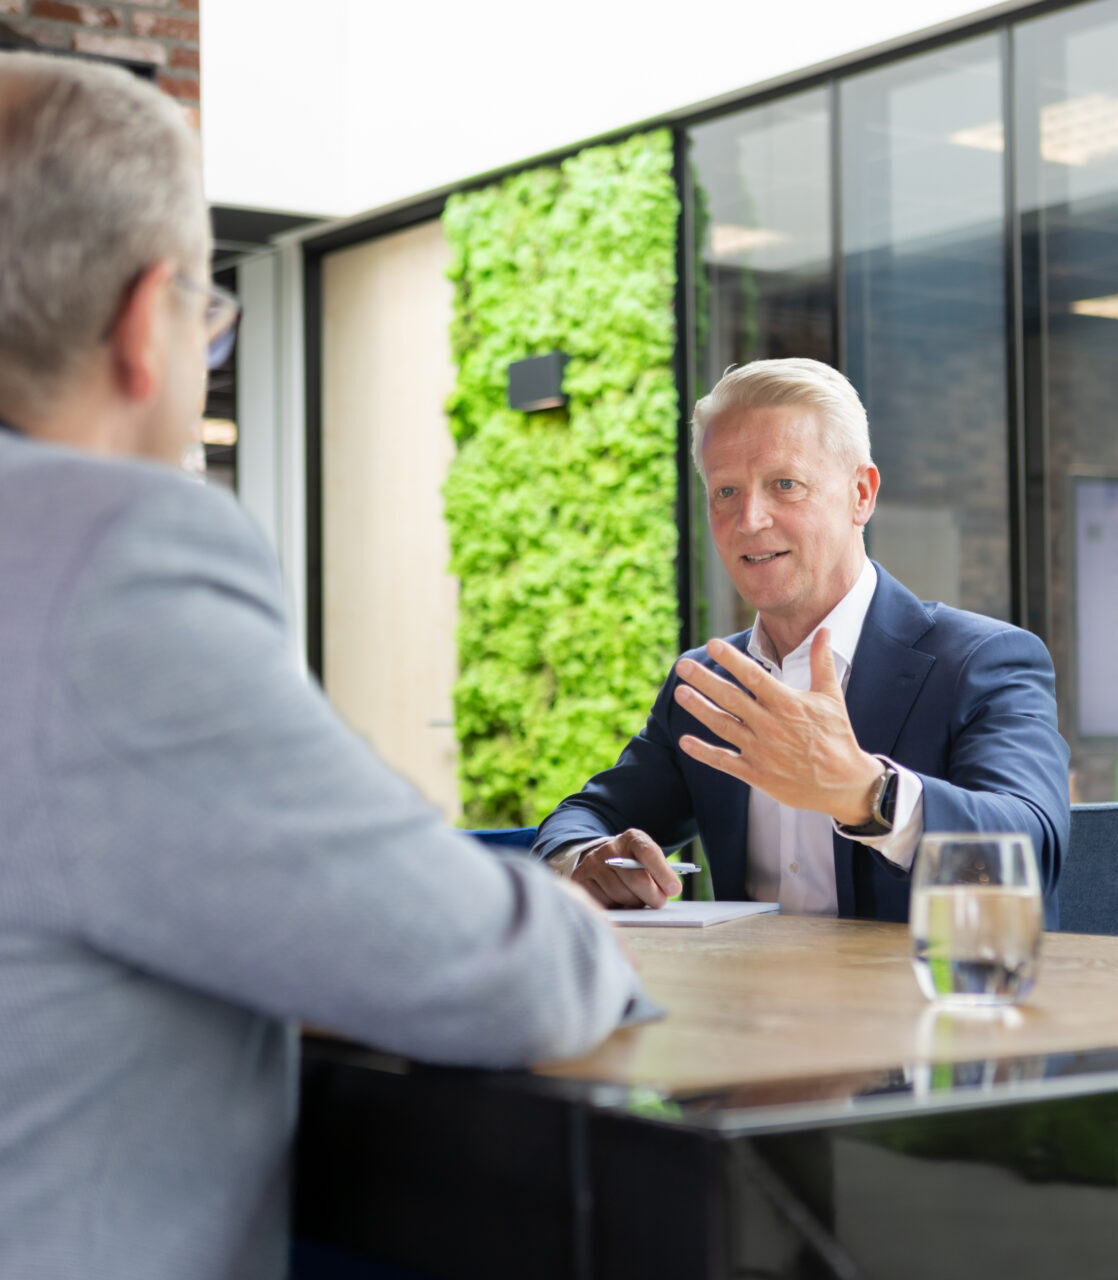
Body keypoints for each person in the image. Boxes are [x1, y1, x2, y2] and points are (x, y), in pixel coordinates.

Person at [0, 52, 639, 1280]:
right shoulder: (111, 556)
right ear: (148, 322)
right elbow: (499, 969)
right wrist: (553, 904)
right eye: (209, 313)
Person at [534, 358, 1069, 925]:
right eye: (725, 491)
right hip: (747, 1008)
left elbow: (1030, 851)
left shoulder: (985, 662)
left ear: (861, 494)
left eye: (784, 485)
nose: (750, 519)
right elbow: (584, 818)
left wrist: (868, 794)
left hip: (930, 1003)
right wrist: (586, 859)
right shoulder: (707, 685)